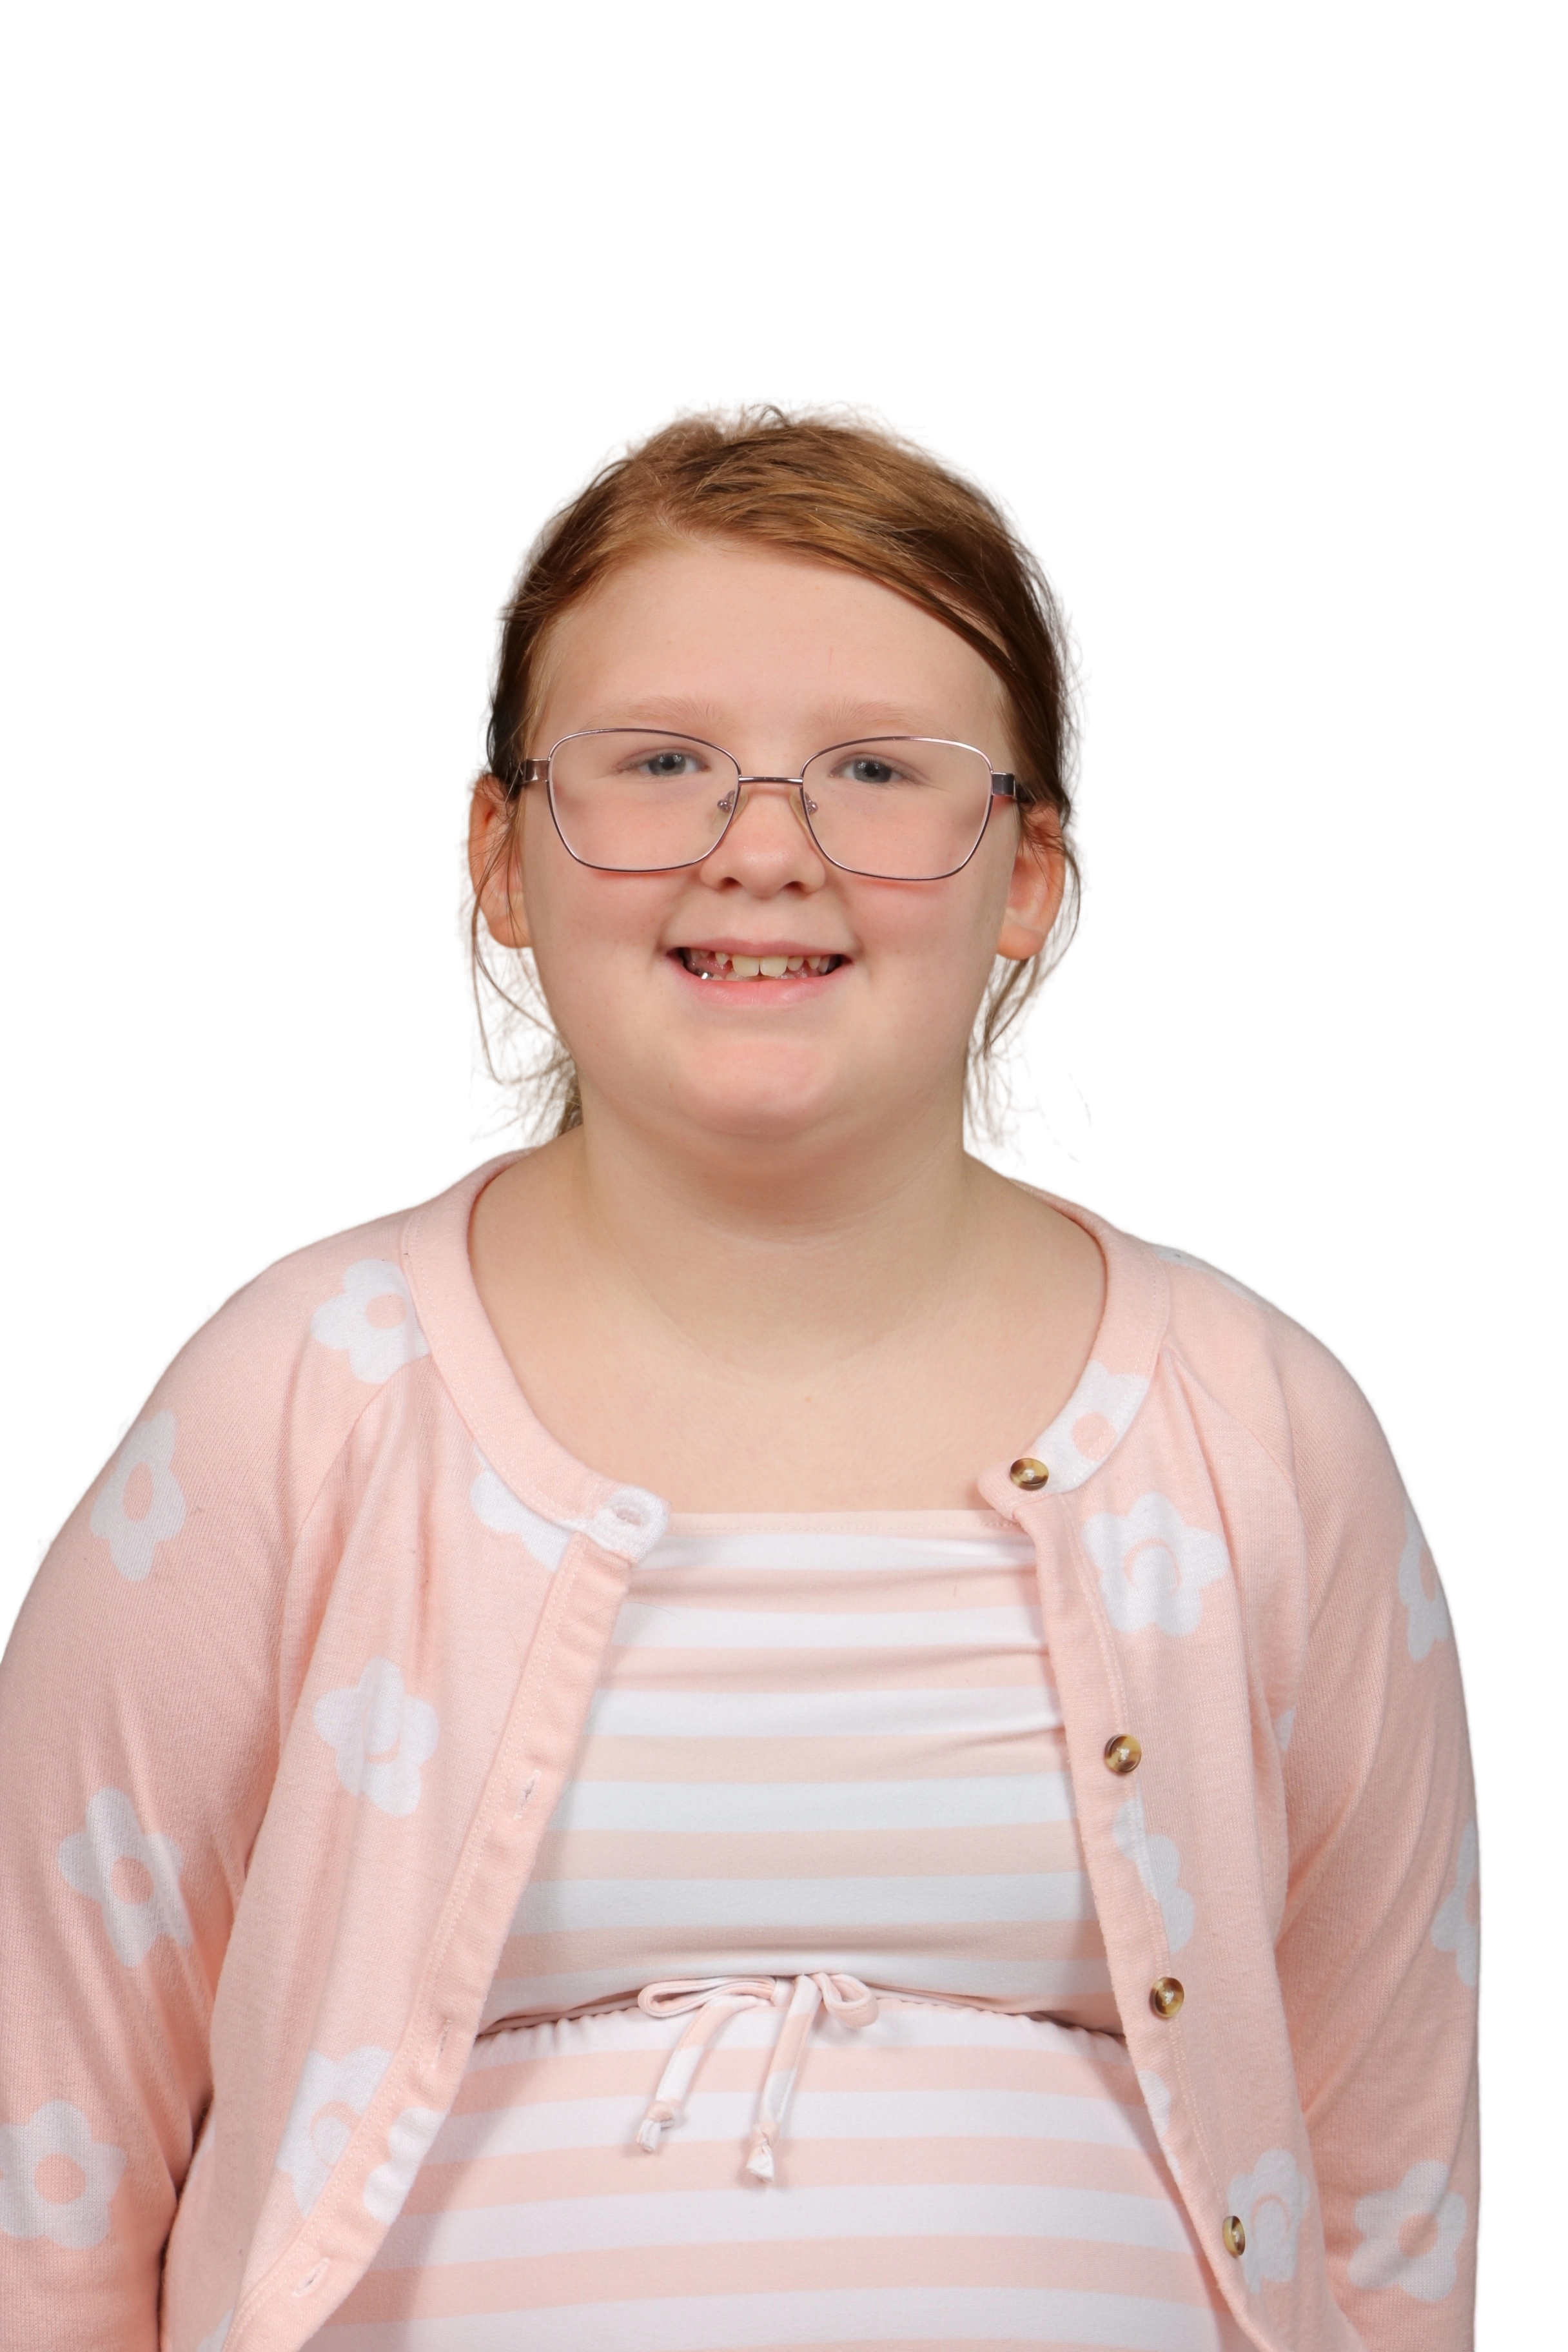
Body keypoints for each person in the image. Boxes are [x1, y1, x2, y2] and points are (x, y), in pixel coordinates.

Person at [0, 395, 1480, 2352]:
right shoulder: (300, 1395)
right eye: (661, 762)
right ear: (499, 859)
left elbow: (1391, 2184)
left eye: (877, 769)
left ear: (1029, 872)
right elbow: (45, 2130)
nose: (764, 850)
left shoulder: (1261, 1425)